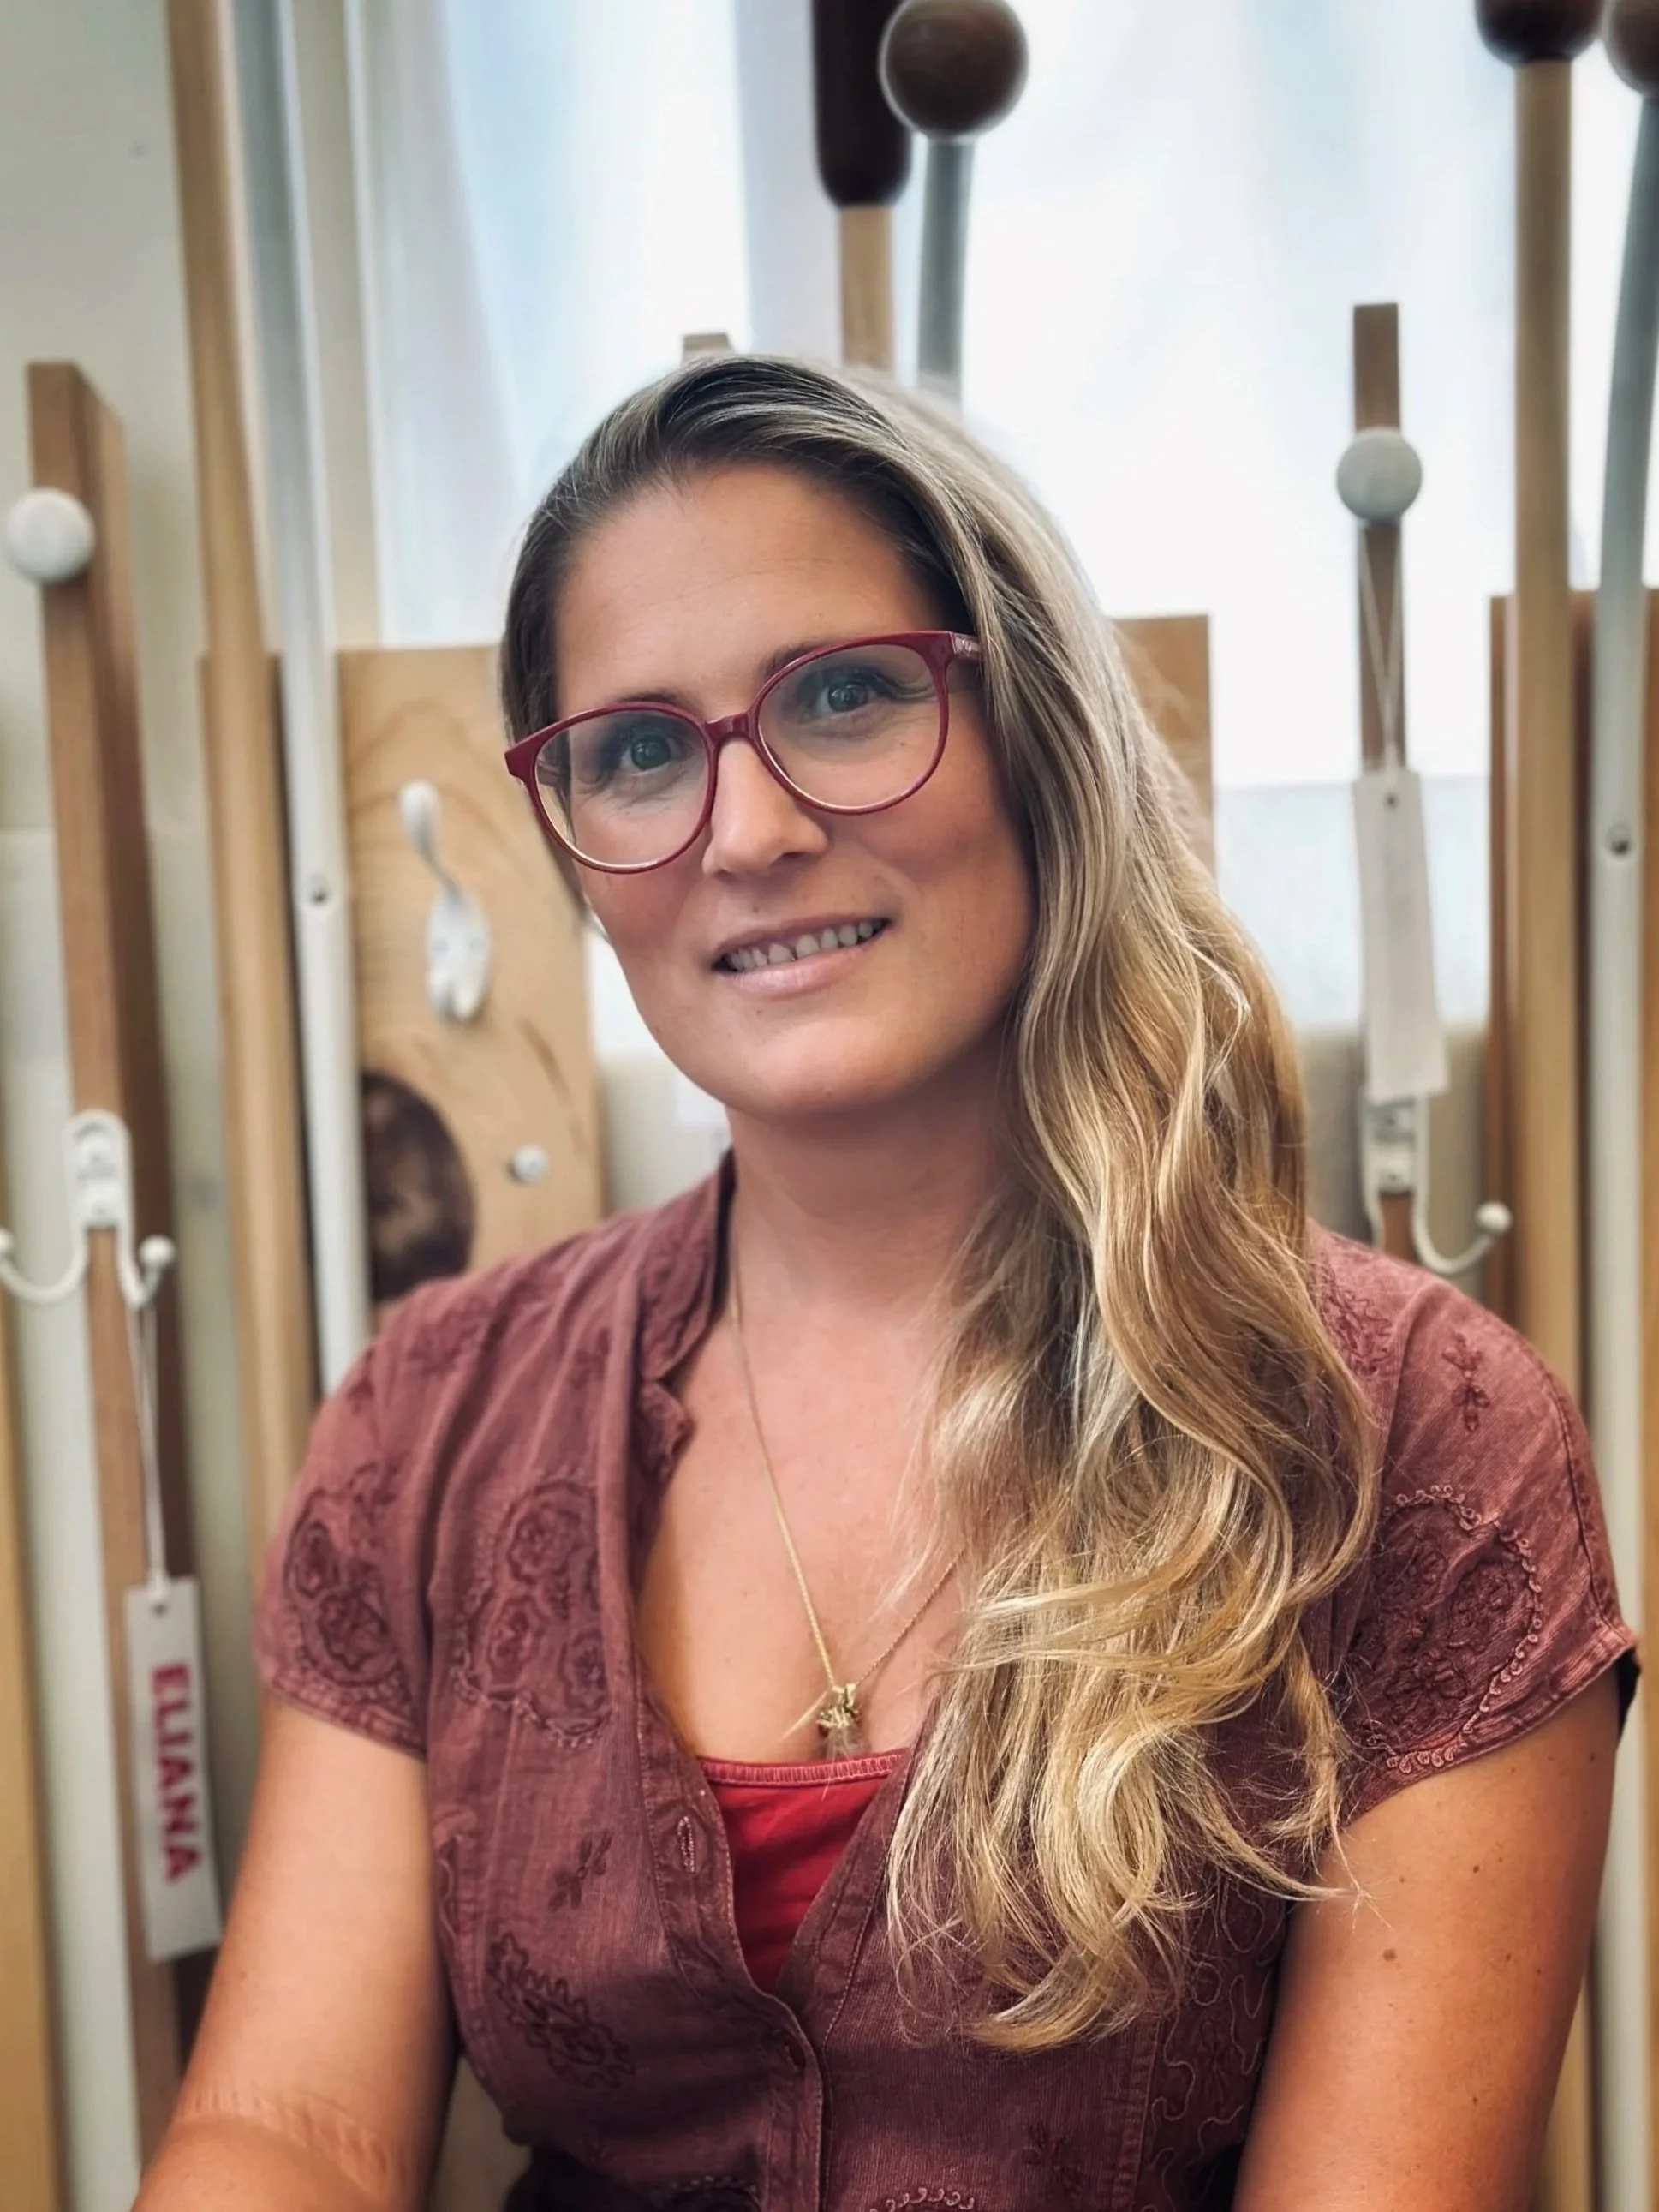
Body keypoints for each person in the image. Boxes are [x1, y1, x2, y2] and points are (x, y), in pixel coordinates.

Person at [136, 356, 1635, 2212]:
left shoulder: (1413, 1434)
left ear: (1029, 730)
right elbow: (294, 2131)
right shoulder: (430, 1415)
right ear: (575, 848)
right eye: (638, 750)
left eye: (841, 696)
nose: (745, 831)